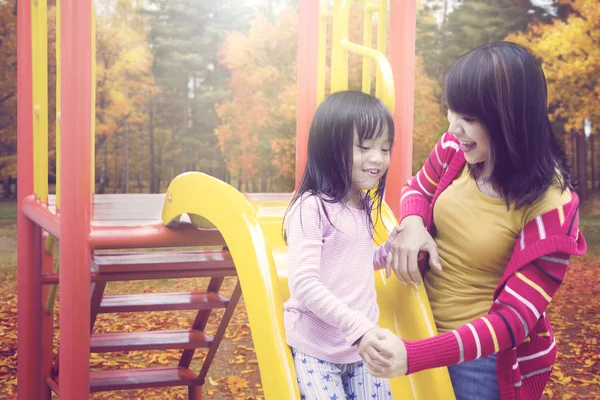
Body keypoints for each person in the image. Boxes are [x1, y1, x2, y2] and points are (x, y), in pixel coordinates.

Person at [361, 42, 587, 400]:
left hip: (478, 362)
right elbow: (416, 189)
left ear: (510, 120)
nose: (454, 129)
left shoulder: (553, 206)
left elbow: (514, 320)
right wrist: (415, 224)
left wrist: (414, 355)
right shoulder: (456, 149)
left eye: (469, 118)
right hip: (416, 322)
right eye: (452, 113)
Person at [283, 90, 402, 399]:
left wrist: (385, 252)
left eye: (385, 148)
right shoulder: (311, 208)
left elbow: (355, 261)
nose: (378, 157)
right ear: (329, 147)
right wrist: (359, 329)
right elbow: (305, 285)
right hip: (318, 348)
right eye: (364, 147)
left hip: (361, 347)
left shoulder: (362, 204)